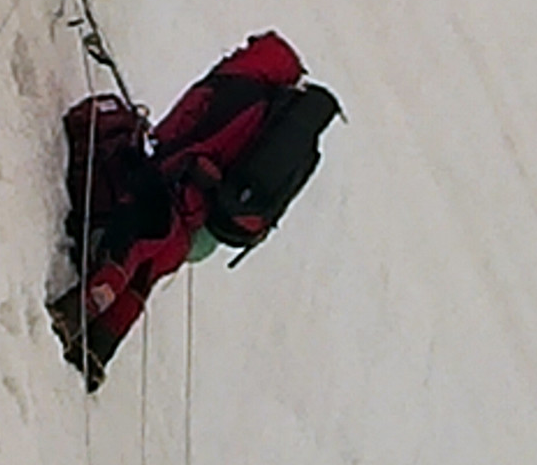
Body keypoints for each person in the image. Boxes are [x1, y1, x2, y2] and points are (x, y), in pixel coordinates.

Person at [47, 31, 341, 389]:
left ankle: (74, 314)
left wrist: (161, 158)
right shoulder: (281, 125)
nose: (238, 50)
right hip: (202, 226)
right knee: (145, 274)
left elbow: (190, 126)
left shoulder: (240, 91)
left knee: (131, 243)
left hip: (177, 188)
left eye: (249, 48)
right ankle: (98, 351)